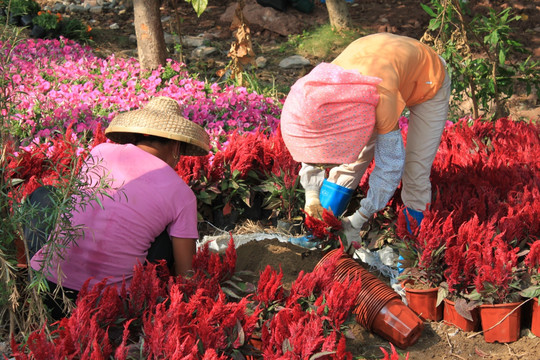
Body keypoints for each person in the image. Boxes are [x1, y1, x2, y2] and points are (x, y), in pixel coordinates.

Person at [28, 96, 210, 319]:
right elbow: (186, 273)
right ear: (175, 144)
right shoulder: (182, 194)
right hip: (106, 307)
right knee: (166, 237)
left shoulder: (100, 152)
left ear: (139, 133)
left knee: (43, 195)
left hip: (45, 289)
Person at [280, 33, 451, 247]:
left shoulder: (381, 98)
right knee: (352, 161)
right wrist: (311, 195)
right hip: (377, 63)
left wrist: (359, 218)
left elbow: (390, 164)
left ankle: (409, 257)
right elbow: (313, 143)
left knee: (415, 170)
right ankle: (321, 233)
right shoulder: (318, 89)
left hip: (428, 79)